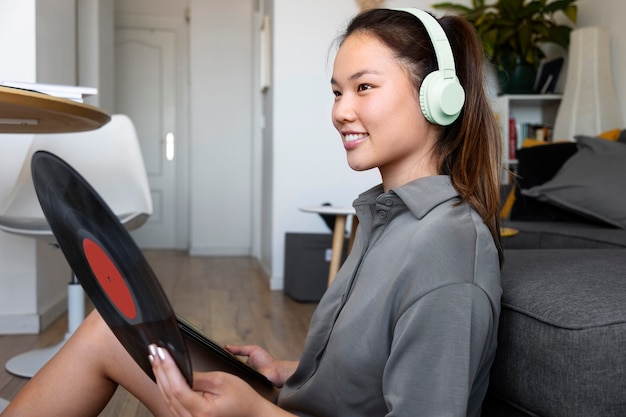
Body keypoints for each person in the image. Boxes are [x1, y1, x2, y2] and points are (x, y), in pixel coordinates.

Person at [2, 7, 503, 417]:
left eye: (364, 87)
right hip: (292, 404)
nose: (340, 111)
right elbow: (369, 370)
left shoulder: (446, 248)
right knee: (109, 330)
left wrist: (257, 412)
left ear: (439, 99)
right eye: (336, 92)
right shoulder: (387, 221)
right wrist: (290, 371)